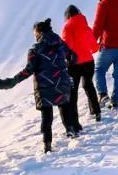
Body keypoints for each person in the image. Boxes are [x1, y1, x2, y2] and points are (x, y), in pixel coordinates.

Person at [13, 19, 76, 153]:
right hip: (61, 82)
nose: (34, 36)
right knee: (64, 106)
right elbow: (72, 55)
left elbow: (29, 70)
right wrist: (65, 69)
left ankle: (47, 144)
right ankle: (71, 132)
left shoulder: (35, 49)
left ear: (39, 32)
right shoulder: (60, 43)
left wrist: (14, 80)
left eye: (34, 33)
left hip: (44, 85)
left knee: (46, 115)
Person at [61, 5, 101, 128]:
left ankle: (75, 122)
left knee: (73, 93)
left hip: (74, 65)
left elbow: (66, 49)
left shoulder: (67, 27)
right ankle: (97, 112)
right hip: (89, 62)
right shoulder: (86, 27)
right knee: (89, 85)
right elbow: (94, 48)